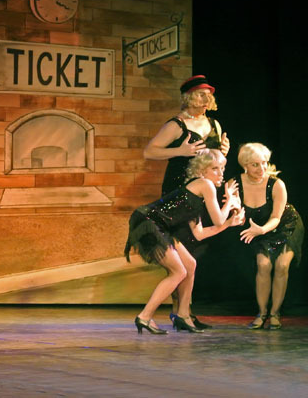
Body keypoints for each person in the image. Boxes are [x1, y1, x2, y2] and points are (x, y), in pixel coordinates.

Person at [143, 75, 230, 329]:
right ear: (189, 97)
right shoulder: (177, 124)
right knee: (180, 254)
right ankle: (180, 312)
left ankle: (183, 312)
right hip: (178, 192)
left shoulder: (213, 124)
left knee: (192, 252)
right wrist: (180, 151)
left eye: (208, 95)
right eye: (201, 94)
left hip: (202, 192)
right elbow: (150, 151)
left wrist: (222, 153)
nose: (206, 99)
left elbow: (211, 159)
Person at [125, 150, 244, 334]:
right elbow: (218, 220)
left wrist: (229, 223)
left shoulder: (195, 194)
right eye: (215, 168)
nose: (221, 173)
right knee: (178, 272)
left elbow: (199, 234)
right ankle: (145, 317)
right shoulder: (205, 184)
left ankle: (183, 315)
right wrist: (229, 201)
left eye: (222, 168)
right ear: (202, 171)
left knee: (190, 264)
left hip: (160, 226)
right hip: (148, 222)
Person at [234, 143, 303, 330]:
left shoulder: (276, 184)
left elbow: (276, 218)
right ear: (245, 165)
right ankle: (262, 312)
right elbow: (235, 215)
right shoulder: (235, 184)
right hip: (259, 229)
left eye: (264, 163)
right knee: (263, 265)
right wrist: (235, 212)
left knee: (281, 266)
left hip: (285, 226)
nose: (261, 168)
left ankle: (275, 313)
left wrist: (262, 230)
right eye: (255, 164)